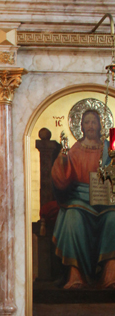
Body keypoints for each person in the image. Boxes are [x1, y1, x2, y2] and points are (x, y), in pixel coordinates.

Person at [51, 108, 115, 289]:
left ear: (100, 125)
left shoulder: (109, 149)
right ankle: (75, 275)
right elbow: (62, 180)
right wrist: (62, 160)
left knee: (113, 218)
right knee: (72, 217)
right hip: (79, 198)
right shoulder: (75, 150)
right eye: (87, 122)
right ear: (81, 127)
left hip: (105, 200)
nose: (91, 126)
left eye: (94, 122)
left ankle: (111, 274)